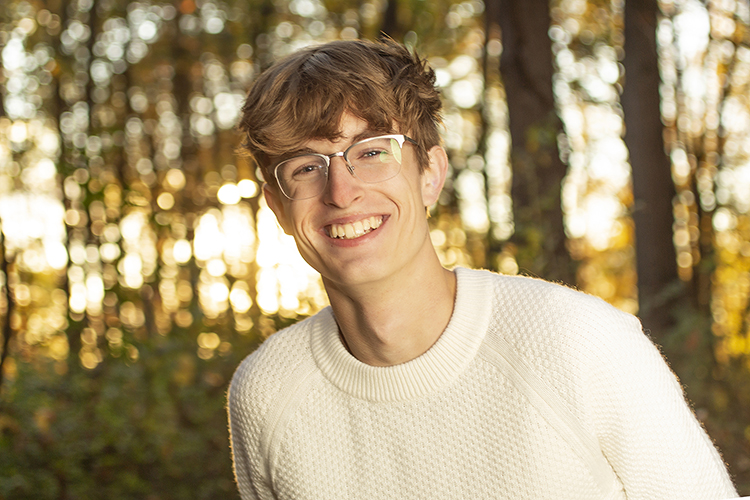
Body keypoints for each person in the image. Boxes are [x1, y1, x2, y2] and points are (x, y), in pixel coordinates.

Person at [227, 38, 737, 500]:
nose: (342, 192)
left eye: (374, 152)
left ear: (431, 174)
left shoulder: (577, 342)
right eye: (306, 167)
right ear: (278, 207)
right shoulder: (267, 394)